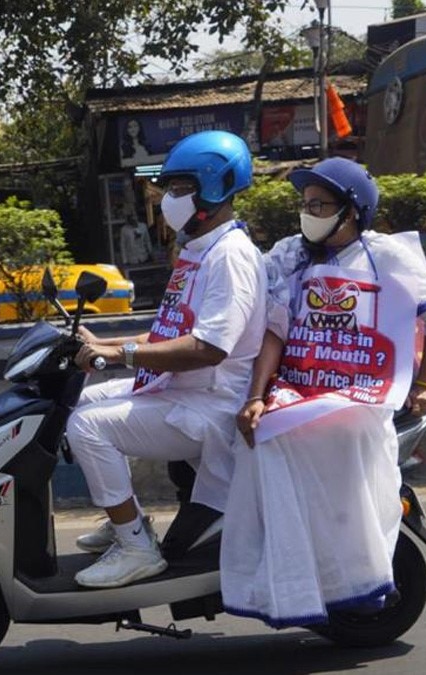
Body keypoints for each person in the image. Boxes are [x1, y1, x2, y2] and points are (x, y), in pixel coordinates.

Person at [221, 157, 426, 628]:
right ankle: (286, 582)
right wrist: (256, 395)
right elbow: (273, 328)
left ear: (351, 211)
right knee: (259, 441)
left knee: (341, 446)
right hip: (299, 388)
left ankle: (355, 578)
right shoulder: (290, 254)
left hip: (361, 392)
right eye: (305, 203)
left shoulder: (386, 256)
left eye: (319, 204)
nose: (308, 211)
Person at [66, 130, 268, 589]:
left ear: (214, 189)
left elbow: (208, 348)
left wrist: (122, 355)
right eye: (169, 189)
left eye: (179, 189)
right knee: (77, 404)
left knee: (88, 427)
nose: (167, 199)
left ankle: (136, 548)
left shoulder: (230, 257)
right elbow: (170, 331)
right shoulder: (199, 251)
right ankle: (128, 521)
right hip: (181, 388)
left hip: (212, 402)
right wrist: (107, 344)